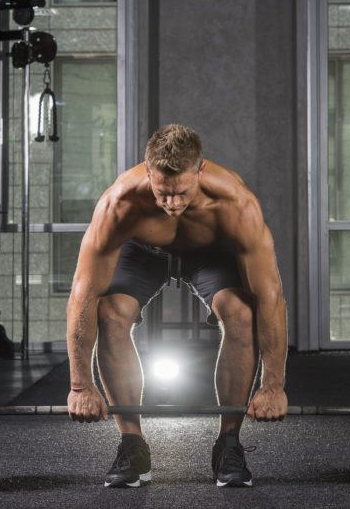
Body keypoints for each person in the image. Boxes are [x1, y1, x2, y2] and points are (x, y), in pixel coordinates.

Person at [66, 124, 288, 488]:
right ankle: (132, 444)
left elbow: (270, 295)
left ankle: (229, 445)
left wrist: (274, 385)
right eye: (162, 192)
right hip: (142, 251)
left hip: (210, 252)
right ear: (148, 171)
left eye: (181, 192)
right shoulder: (119, 204)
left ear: (200, 171)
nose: (171, 203)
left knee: (242, 313)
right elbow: (83, 293)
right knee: (109, 313)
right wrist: (79, 385)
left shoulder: (236, 204)